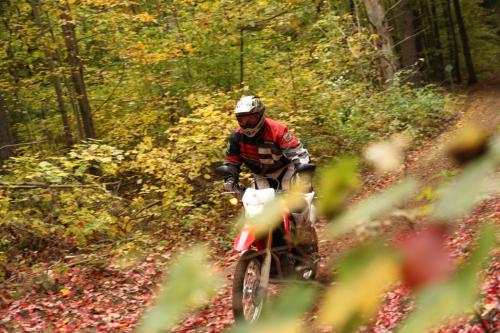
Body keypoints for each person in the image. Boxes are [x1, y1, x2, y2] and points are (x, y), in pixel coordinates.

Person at [222, 95, 310, 192]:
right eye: (243, 120)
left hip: (286, 170)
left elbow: (297, 152)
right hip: (261, 176)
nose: (247, 124)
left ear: (260, 115)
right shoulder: (236, 137)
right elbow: (231, 162)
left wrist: (302, 170)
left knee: (295, 201)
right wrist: (230, 180)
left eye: (251, 119)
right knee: (256, 204)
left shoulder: (277, 130)